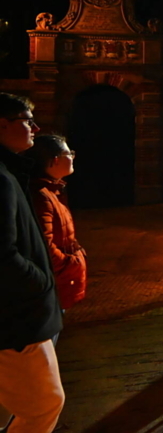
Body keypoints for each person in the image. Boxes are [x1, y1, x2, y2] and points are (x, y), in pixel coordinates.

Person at [0, 93, 65, 432]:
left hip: (18, 315)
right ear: (3, 124)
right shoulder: (2, 179)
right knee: (44, 405)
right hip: (18, 321)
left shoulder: (10, 171)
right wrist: (41, 284)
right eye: (27, 120)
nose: (35, 128)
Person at [25, 136, 86, 315]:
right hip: (53, 285)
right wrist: (74, 262)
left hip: (58, 283)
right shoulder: (42, 197)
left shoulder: (52, 191)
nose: (73, 157)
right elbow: (46, 247)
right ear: (55, 160)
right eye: (69, 153)